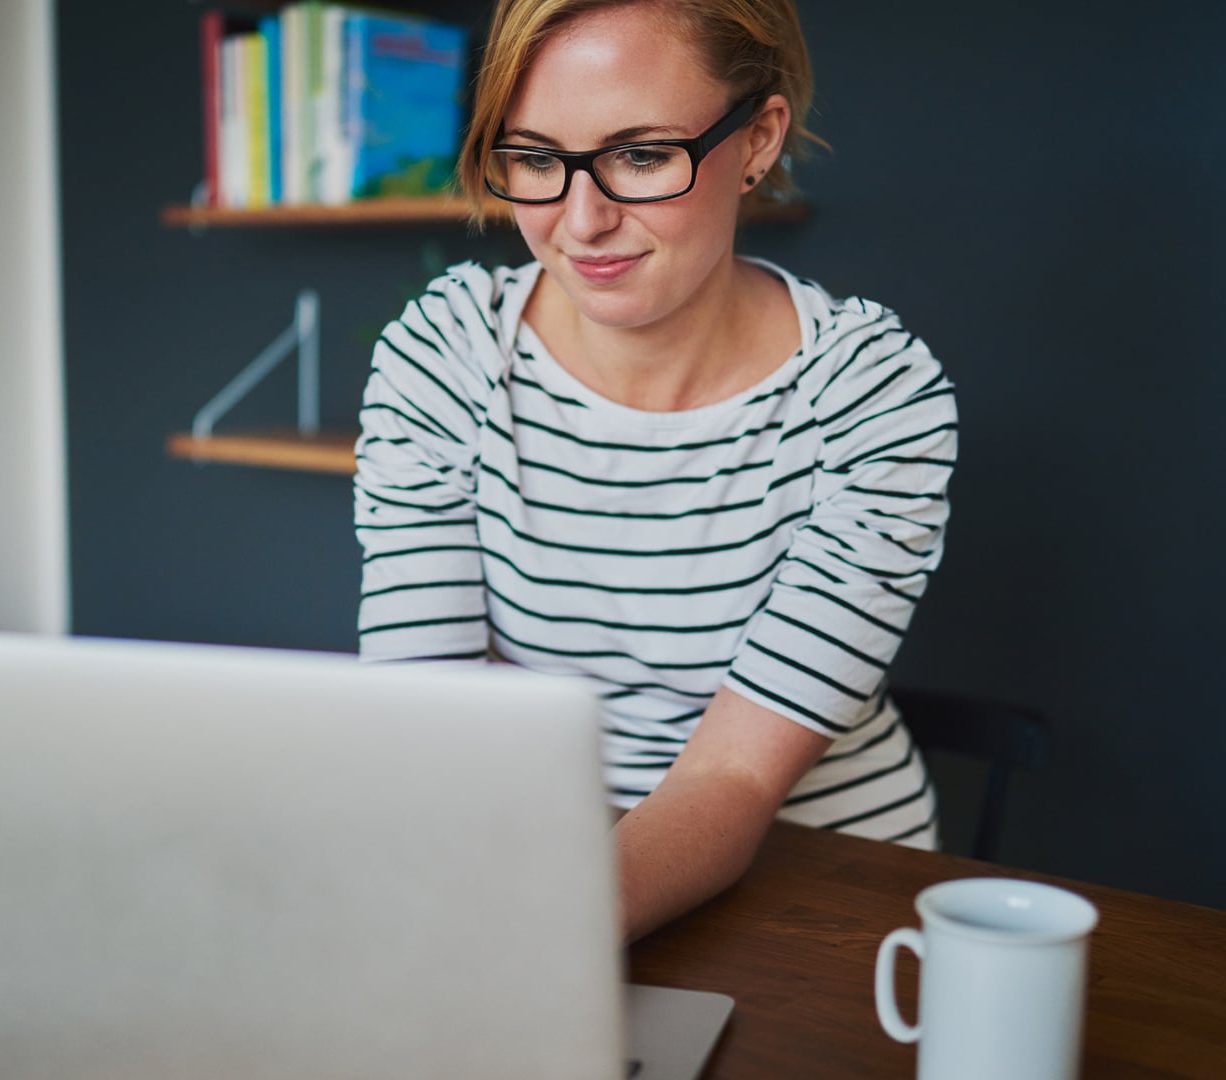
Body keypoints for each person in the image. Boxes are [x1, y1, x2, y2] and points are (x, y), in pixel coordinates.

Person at [354, 0, 956, 943]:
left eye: (640, 156)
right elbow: (428, 723)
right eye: (537, 159)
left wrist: (530, 941)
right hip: (533, 869)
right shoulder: (448, 352)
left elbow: (731, 775)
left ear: (757, 139)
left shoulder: (872, 394)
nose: (582, 221)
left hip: (823, 899)